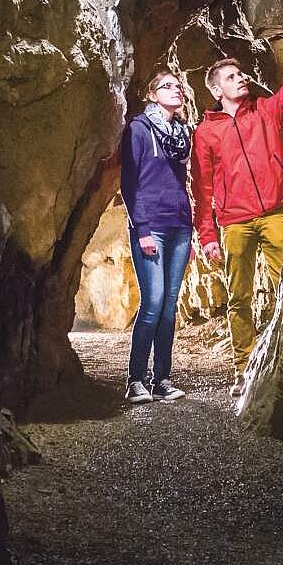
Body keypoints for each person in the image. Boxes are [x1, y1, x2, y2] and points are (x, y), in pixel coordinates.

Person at [192, 10, 283, 397]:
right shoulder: (207, 133)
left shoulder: (266, 112)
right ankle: (244, 368)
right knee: (239, 298)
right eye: (231, 77)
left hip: (276, 215)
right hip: (236, 225)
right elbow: (203, 190)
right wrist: (207, 235)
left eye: (240, 73)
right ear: (217, 91)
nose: (241, 77)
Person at [119, 69, 195, 404]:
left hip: (179, 226)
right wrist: (143, 229)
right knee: (152, 303)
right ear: (153, 94)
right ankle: (135, 379)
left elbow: (180, 183)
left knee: (169, 307)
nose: (176, 91)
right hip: (151, 228)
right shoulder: (138, 129)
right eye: (168, 86)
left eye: (178, 87)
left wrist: (189, 228)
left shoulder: (181, 134)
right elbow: (130, 183)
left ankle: (162, 378)